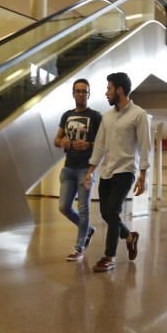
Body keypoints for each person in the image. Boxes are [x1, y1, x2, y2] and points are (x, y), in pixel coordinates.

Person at [84, 72, 151, 273]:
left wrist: (142, 176)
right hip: (107, 171)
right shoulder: (107, 117)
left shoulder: (139, 115)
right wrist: (91, 170)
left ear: (119, 90)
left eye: (109, 88)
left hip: (125, 170)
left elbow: (145, 147)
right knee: (106, 213)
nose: (107, 93)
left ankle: (109, 256)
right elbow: (99, 145)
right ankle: (130, 237)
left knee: (112, 211)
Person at [54, 78, 102, 261]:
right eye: (78, 91)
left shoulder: (96, 117)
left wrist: (88, 144)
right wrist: (63, 142)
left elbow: (103, 143)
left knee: (83, 209)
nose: (81, 94)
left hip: (85, 169)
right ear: (73, 93)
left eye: (84, 91)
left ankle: (79, 247)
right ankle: (88, 229)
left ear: (89, 94)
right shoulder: (66, 115)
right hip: (68, 169)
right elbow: (56, 140)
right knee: (64, 207)